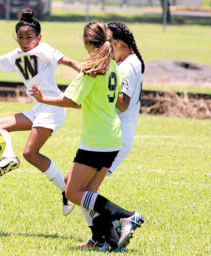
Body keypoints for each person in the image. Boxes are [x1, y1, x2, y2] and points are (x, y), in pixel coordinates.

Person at [30, 21, 143, 252]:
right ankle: (110, 242)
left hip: (96, 140)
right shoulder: (112, 65)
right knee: (88, 194)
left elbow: (72, 101)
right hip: (112, 138)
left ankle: (127, 216)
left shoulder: (93, 68)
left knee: (72, 191)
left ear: (86, 42)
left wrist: (42, 99)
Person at [0, 9, 79, 216]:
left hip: (53, 107)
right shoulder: (15, 56)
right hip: (38, 109)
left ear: (38, 38)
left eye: (29, 37)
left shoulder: (45, 49)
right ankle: (8, 158)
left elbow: (68, 61)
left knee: (30, 154)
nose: (24, 42)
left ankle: (68, 192)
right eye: (21, 37)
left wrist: (83, 69)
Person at [74, 21, 146, 249]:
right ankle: (106, 239)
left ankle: (119, 223)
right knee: (82, 190)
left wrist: (98, 91)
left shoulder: (126, 66)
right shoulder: (129, 63)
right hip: (113, 134)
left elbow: (122, 103)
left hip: (114, 134)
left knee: (78, 190)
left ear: (114, 43)